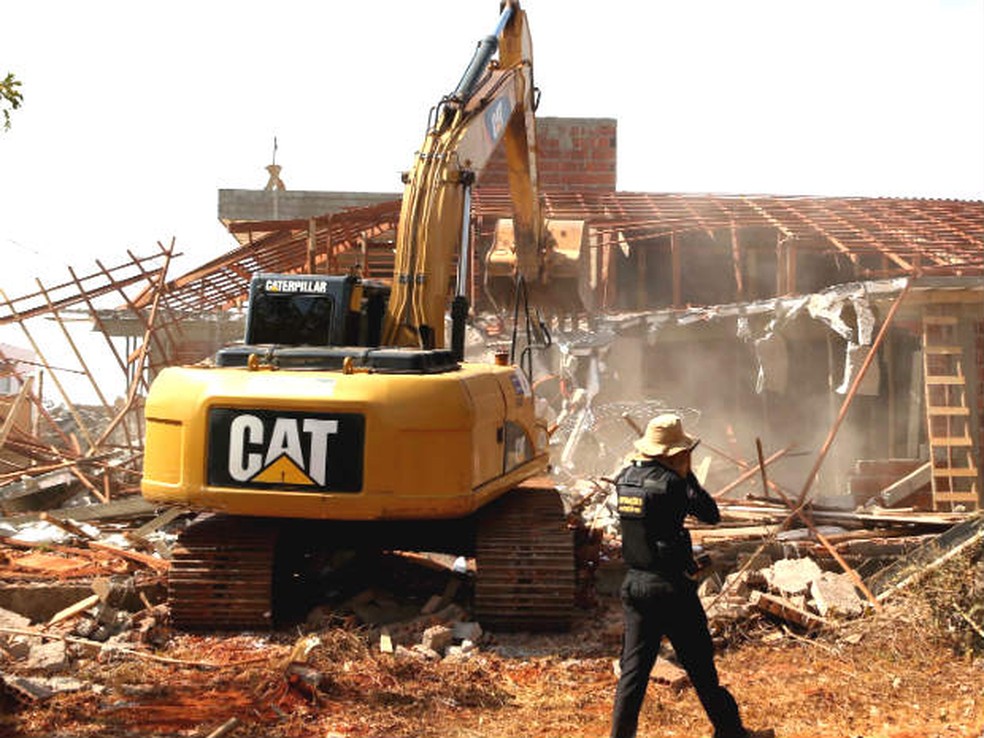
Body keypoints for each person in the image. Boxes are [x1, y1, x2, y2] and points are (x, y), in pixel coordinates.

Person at [610, 413, 774, 738]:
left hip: (635, 584)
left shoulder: (625, 478)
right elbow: (710, 514)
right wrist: (689, 477)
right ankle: (731, 732)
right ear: (676, 454)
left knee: (633, 673)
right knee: (700, 667)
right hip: (670, 589)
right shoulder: (673, 483)